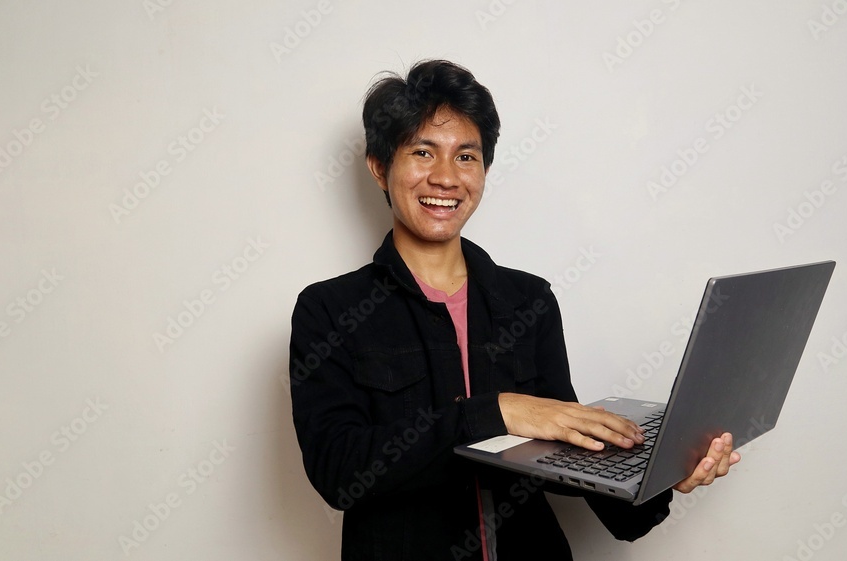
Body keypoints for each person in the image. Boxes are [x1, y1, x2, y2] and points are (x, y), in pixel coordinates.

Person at [289, 59, 740, 561]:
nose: (445, 177)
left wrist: (660, 474)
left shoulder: (528, 300)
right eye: (422, 152)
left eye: (466, 156)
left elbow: (562, 454)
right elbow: (340, 472)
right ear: (379, 166)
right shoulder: (329, 310)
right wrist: (497, 412)